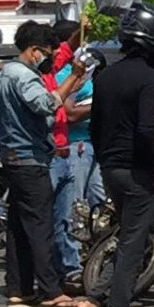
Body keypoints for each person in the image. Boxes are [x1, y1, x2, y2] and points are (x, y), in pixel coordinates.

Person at [72, 5, 154, 307]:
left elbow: (96, 127)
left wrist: (107, 161)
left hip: (111, 167)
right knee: (132, 244)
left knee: (131, 238)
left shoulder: (107, 75)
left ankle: (94, 300)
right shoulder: (149, 79)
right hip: (137, 170)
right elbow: (147, 131)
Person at [0, 22, 84, 307]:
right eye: (47, 53)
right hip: (30, 158)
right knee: (39, 226)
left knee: (18, 227)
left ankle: (18, 287)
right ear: (34, 51)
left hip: (11, 157)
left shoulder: (2, 76)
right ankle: (50, 289)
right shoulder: (25, 77)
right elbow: (46, 105)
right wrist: (72, 78)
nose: (48, 58)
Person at [47, 17, 101, 293]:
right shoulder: (63, 77)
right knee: (72, 210)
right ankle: (71, 268)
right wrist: (98, 106)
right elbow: (68, 113)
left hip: (93, 147)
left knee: (99, 205)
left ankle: (92, 259)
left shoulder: (86, 77)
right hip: (75, 148)